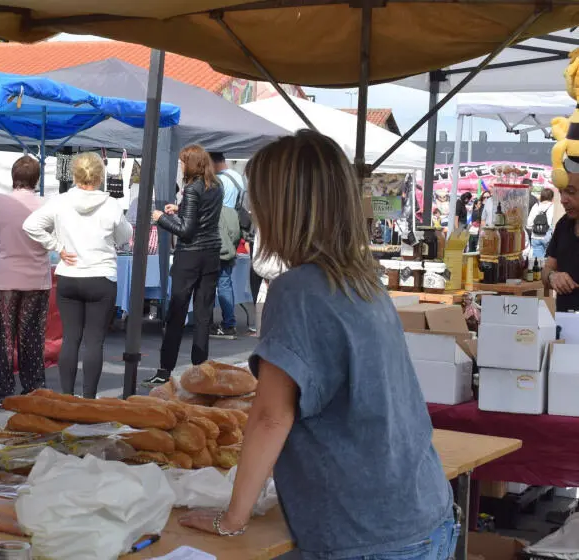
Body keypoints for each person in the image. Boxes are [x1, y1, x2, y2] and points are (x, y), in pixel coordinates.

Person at [180, 131, 456, 560]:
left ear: (283, 208)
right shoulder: (364, 279)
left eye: (260, 200)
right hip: (422, 511)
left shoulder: (299, 291)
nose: (255, 211)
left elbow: (271, 416)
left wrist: (232, 518)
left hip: (365, 532)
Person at [23, 152, 132, 398]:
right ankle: (89, 399)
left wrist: (56, 246)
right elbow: (125, 236)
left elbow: (30, 225)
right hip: (101, 276)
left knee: (70, 338)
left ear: (74, 175)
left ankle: (67, 397)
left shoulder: (60, 201)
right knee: (94, 341)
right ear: (100, 176)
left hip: (69, 275)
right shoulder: (111, 204)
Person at [0, 156, 51, 408]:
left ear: (13, 176)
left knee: (2, 339)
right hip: (35, 279)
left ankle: (1, 391)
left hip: (2, 279)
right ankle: (34, 389)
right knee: (32, 338)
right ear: (37, 179)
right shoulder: (46, 205)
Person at [144, 145, 223, 387]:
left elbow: (186, 230)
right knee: (203, 315)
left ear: (190, 164)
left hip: (189, 256)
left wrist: (161, 218)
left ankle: (165, 370)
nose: (179, 166)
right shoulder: (216, 186)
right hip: (211, 253)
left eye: (181, 162)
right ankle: (200, 371)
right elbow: (203, 214)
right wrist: (180, 209)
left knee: (176, 314)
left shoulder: (191, 188)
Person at [210, 152, 247, 339]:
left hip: (219, 230)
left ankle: (223, 323)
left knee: (215, 281)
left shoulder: (218, 181)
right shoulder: (238, 178)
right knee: (225, 279)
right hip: (234, 229)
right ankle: (229, 322)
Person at [544, 160, 579, 312]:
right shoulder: (563, 225)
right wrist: (552, 276)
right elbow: (547, 269)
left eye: (571, 192)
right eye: (561, 192)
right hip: (564, 321)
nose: (563, 200)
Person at [211, 205, 243, 339]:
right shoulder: (231, 212)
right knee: (225, 286)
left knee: (207, 287)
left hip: (211, 252)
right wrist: (230, 245)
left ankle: (206, 322)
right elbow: (236, 233)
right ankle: (229, 324)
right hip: (227, 253)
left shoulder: (207, 208)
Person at [528, 188, 555, 260]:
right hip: (548, 236)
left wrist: (536, 229)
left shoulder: (536, 206)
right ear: (552, 197)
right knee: (548, 261)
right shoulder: (553, 207)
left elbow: (529, 224)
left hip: (535, 236)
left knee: (537, 262)